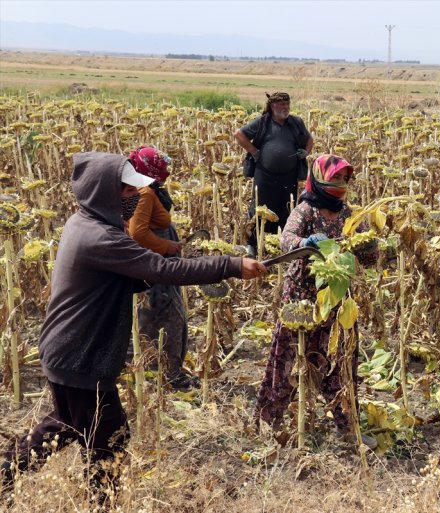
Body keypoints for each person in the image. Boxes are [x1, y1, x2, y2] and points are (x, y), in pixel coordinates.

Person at [1, 152, 266, 497]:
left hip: (67, 348)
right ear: (105, 194)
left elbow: (122, 279)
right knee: (110, 438)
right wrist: (229, 265)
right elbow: (162, 271)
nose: (134, 199)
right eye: (127, 193)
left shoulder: (82, 223)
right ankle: (102, 500)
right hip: (79, 354)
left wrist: (146, 271)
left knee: (68, 424)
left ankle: (8, 475)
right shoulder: (101, 238)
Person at [254, 154, 376, 447]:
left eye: (345, 179)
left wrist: (370, 245)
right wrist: (305, 243)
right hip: (302, 300)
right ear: (319, 179)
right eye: (335, 178)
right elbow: (286, 239)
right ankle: (269, 423)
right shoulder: (305, 210)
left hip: (337, 301)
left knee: (340, 362)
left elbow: (369, 259)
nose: (341, 184)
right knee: (287, 360)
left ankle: (347, 426)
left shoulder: (350, 216)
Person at [125, 146, 196, 390]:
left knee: (157, 316)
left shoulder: (147, 189)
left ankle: (158, 369)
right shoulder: (144, 192)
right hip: (155, 264)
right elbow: (137, 232)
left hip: (158, 261)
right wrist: (166, 246)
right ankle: (167, 373)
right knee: (166, 315)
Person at [234, 92, 314, 257]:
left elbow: (309, 139)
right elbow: (239, 134)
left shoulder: (295, 122)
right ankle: (253, 245)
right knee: (260, 208)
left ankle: (283, 243)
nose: (285, 108)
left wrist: (305, 152)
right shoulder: (262, 122)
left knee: (286, 208)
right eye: (281, 105)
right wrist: (254, 151)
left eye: (287, 104)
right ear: (272, 107)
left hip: (288, 175)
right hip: (265, 175)